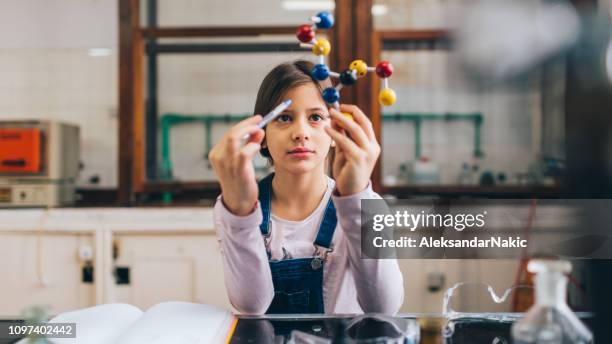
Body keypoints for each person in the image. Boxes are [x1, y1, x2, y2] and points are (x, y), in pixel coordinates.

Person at [209, 60, 404, 315]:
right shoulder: (235, 209)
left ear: (337, 131)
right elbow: (251, 306)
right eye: (284, 117)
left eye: (315, 117)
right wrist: (240, 212)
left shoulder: (369, 205)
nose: (300, 132)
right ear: (262, 135)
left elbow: (384, 307)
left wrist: (355, 200)